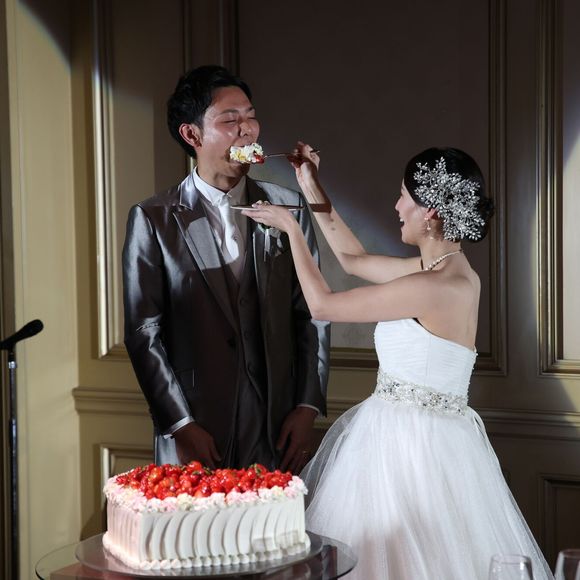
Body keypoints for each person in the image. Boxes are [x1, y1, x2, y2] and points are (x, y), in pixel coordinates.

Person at [243, 144, 554, 579]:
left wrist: (292, 230)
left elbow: (322, 305)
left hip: (410, 453)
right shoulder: (449, 272)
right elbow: (351, 259)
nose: (396, 206)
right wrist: (310, 184)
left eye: (404, 195)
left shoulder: (434, 286)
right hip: (422, 439)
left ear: (430, 212)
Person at [122, 66, 329, 472]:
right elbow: (143, 331)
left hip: (278, 426)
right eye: (230, 120)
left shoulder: (289, 206)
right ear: (192, 135)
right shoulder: (153, 218)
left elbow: (312, 313)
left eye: (251, 117)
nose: (247, 130)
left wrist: (307, 406)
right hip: (196, 427)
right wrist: (180, 424)